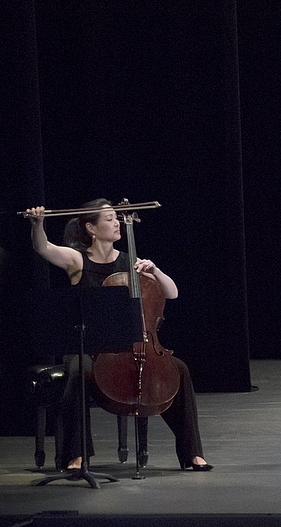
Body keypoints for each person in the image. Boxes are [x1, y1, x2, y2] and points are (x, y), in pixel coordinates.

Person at [27, 200, 212, 472]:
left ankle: (192, 453)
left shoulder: (130, 261)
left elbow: (172, 293)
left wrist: (155, 271)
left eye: (117, 219)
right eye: (110, 219)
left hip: (128, 346)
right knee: (78, 371)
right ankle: (77, 455)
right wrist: (38, 225)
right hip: (89, 347)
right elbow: (43, 247)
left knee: (179, 369)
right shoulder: (78, 260)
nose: (117, 224)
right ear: (91, 227)